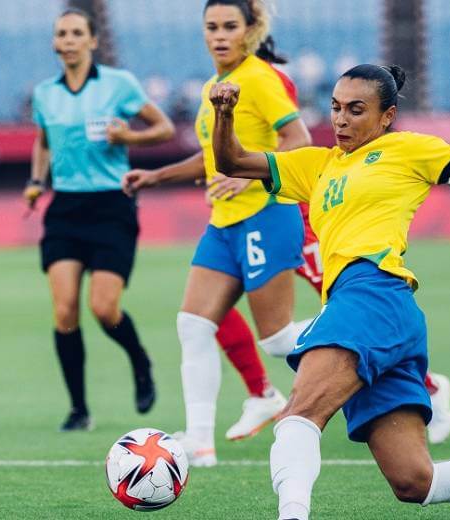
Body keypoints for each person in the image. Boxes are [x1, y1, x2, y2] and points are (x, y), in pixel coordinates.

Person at [208, 64, 450, 520]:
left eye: (356, 110)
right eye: (335, 108)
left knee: (299, 414)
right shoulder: (316, 164)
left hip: (372, 293)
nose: (341, 119)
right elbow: (232, 161)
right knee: (415, 481)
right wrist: (224, 113)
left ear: (387, 116)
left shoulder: (411, 150)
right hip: (377, 312)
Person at [123, 0, 313, 466]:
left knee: (277, 340)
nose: (220, 34)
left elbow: (299, 140)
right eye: (212, 27)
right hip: (224, 224)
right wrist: (156, 175)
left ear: (250, 31)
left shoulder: (259, 79)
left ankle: (365, 336)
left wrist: (250, 176)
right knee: (192, 325)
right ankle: (199, 442)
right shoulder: (213, 87)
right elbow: (212, 160)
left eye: (230, 26)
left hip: (266, 215)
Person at [24, 8, 176, 432]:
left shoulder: (119, 84)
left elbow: (163, 128)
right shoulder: (44, 94)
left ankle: (139, 359)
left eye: (77, 33)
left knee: (104, 308)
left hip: (112, 206)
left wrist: (130, 136)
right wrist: (36, 181)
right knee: (64, 310)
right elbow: (43, 142)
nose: (68, 40)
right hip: (66, 209)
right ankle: (78, 410)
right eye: (62, 33)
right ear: (55, 43)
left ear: (92, 41)